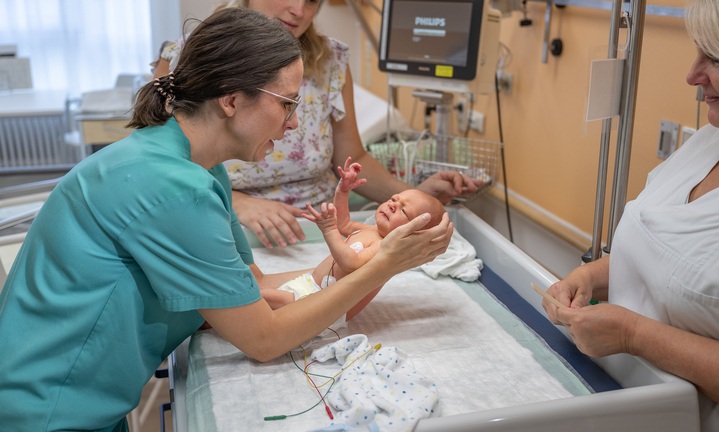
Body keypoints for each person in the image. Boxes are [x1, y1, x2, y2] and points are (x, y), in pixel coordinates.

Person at [0, 8, 452, 431]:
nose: (293, 124)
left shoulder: (199, 165)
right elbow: (264, 339)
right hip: (50, 410)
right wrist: (383, 265)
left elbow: (250, 284)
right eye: (286, 104)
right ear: (232, 99)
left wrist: (368, 262)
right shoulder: (174, 188)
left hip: (76, 398)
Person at [542, 1, 719, 430]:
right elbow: (663, 255)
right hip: (616, 396)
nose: (692, 75)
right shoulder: (710, 141)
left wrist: (633, 334)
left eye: (716, 58)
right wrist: (589, 278)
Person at [152, 0, 482, 250]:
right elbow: (162, 166)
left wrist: (413, 199)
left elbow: (351, 159)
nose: (298, 10)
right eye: (284, 103)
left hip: (321, 231)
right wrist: (235, 202)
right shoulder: (192, 56)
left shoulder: (330, 62)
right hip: (224, 226)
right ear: (230, 98)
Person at [262, 157, 445, 322]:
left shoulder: (383, 247)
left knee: (257, 299)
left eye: (404, 211)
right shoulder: (370, 230)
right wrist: (343, 191)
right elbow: (343, 224)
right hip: (310, 286)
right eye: (394, 199)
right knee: (258, 303)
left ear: (414, 233)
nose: (392, 205)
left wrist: (328, 229)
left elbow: (350, 263)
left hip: (323, 303)